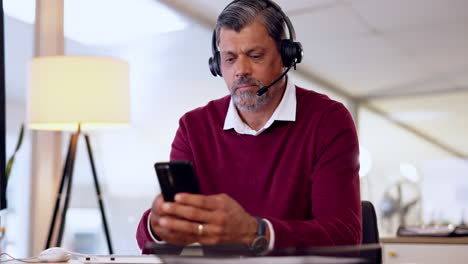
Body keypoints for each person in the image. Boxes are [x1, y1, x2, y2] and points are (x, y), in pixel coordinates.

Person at [136, 0, 361, 255]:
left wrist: (256, 232)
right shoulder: (193, 127)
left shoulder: (328, 121)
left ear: (286, 57)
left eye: (255, 56)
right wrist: (158, 226)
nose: (241, 70)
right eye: (229, 59)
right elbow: (163, 238)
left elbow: (344, 236)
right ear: (216, 65)